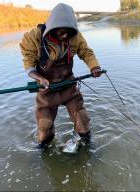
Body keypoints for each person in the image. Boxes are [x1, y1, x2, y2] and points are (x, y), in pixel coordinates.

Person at [20, 3, 102, 148]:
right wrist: (40, 78)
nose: (65, 36)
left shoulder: (76, 37)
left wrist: (94, 66)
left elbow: (86, 52)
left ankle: (89, 146)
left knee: (82, 119)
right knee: (44, 127)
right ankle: (43, 149)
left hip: (68, 87)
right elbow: (28, 63)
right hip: (46, 90)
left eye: (68, 33)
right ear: (52, 27)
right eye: (61, 32)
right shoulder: (33, 37)